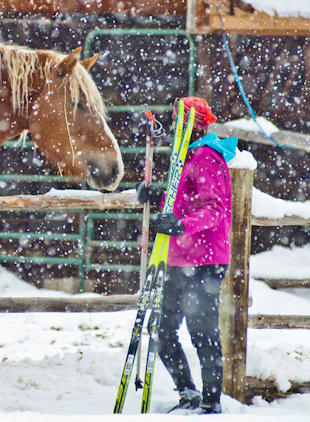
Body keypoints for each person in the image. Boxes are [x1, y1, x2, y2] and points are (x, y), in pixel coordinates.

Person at [136, 97, 237, 414]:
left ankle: (211, 402)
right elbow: (184, 198)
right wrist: (158, 196)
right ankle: (188, 393)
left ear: (197, 124)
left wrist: (182, 225)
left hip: (205, 260)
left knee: (202, 333)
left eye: (184, 121)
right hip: (178, 259)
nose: (179, 125)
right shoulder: (186, 158)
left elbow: (214, 210)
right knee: (163, 331)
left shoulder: (207, 157)